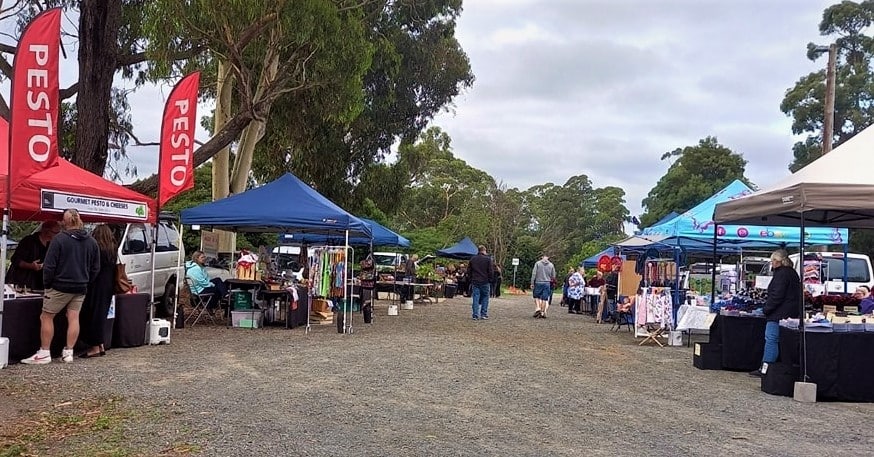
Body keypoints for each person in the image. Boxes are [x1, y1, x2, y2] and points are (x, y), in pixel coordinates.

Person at [22, 209, 100, 365]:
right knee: (73, 317)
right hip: (80, 287)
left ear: (65, 222)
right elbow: (96, 267)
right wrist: (86, 281)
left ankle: (44, 352)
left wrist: (47, 284)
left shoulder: (59, 240)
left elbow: (49, 265)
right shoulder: (91, 241)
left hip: (59, 286)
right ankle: (69, 352)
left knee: (46, 316)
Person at [750, 249, 801, 377]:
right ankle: (771, 368)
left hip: (778, 314)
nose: (771, 263)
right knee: (780, 341)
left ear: (779, 261)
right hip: (790, 312)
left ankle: (766, 368)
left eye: (773, 260)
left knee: (771, 339)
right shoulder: (792, 273)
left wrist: (766, 309)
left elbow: (777, 295)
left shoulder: (782, 274)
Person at [78, 224, 118, 358]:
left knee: (91, 315)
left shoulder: (97, 249)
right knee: (100, 315)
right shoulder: (113, 249)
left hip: (96, 285)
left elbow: (92, 268)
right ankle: (100, 344)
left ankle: (94, 346)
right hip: (108, 285)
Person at [5, 221, 60, 291]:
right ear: (47, 231)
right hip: (23, 283)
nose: (58, 235)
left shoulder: (53, 244)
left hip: (41, 285)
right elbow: (15, 260)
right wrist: (30, 265)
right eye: (56, 233)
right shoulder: (28, 241)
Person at [469, 245, 493, 320]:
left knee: (476, 297)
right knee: (485, 297)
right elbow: (490, 271)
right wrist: (490, 280)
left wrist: (471, 279)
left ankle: (475, 314)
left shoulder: (473, 259)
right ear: (484, 250)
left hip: (475, 281)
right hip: (485, 281)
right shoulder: (488, 259)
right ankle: (483, 314)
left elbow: (469, 271)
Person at [531, 254, 556, 318]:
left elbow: (534, 273)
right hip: (547, 283)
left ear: (542, 257)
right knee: (544, 299)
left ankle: (538, 308)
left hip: (538, 282)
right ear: (548, 257)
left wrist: (532, 283)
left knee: (536, 297)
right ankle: (542, 312)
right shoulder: (551, 265)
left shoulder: (537, 264)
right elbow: (553, 276)